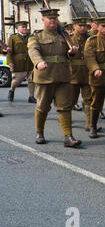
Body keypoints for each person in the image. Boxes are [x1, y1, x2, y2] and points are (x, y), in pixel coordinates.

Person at [27, 8, 81, 147]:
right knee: (43, 107)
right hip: (45, 77)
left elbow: (68, 55)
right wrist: (38, 62)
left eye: (54, 18)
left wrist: (72, 52)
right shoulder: (36, 36)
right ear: (43, 20)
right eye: (49, 18)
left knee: (65, 107)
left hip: (63, 77)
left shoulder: (64, 36)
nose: (52, 20)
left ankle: (68, 136)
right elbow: (33, 51)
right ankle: (40, 132)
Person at [84, 17, 105, 141]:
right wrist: (95, 68)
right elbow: (89, 57)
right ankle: (93, 126)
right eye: (103, 26)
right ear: (97, 27)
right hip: (97, 79)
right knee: (96, 104)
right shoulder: (91, 41)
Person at [69, 17, 93, 132]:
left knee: (88, 99)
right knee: (71, 99)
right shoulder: (69, 39)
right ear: (74, 26)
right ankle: (67, 121)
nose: (83, 28)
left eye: (84, 26)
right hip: (73, 74)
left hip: (87, 73)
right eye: (80, 26)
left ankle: (89, 123)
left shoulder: (90, 38)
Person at [6, 21, 36, 103]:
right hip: (18, 62)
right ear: (18, 28)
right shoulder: (13, 38)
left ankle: (31, 96)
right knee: (16, 80)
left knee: (31, 80)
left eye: (25, 27)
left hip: (30, 61)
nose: (25, 28)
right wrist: (10, 62)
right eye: (23, 27)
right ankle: (11, 91)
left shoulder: (31, 37)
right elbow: (9, 51)